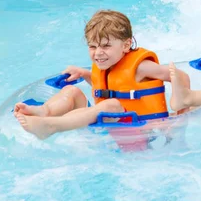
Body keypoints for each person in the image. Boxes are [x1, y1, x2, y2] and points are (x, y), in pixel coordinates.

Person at [14, 10, 179, 139]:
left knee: (111, 105)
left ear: (126, 44)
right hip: (111, 127)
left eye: (106, 46)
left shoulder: (141, 67)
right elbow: (111, 88)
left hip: (141, 132)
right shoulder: (106, 66)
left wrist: (180, 109)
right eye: (92, 47)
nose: (98, 53)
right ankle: (44, 112)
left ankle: (51, 126)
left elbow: (178, 76)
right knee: (72, 92)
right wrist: (84, 73)